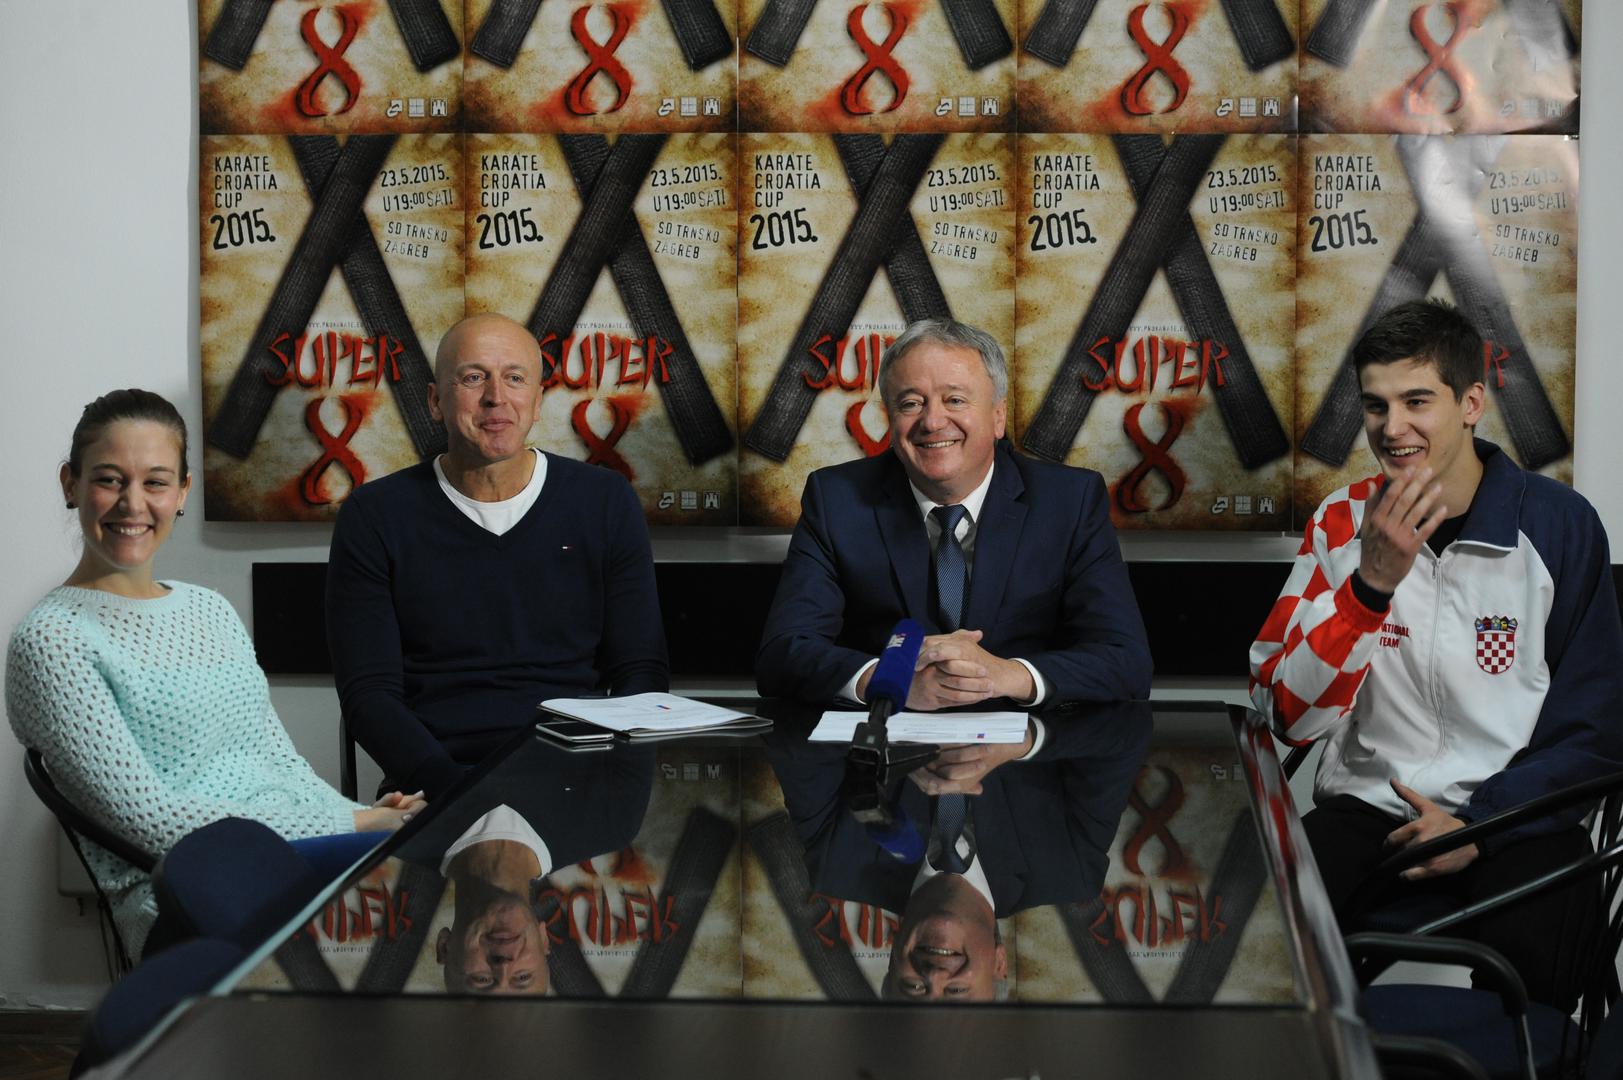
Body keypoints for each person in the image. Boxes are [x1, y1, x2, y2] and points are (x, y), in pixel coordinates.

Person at [1249, 298, 1623, 1008]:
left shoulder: (1559, 524)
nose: (1392, 428)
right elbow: (1287, 717)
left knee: (1544, 967)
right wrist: (1368, 588)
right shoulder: (1339, 522)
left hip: (1517, 816)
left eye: (1416, 401)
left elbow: (1595, 728)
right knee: (1274, 941)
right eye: (1375, 405)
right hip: (1370, 810)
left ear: (1470, 403)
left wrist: (1481, 825)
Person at [5, 390, 422, 958]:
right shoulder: (53, 640)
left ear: (182, 492)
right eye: (109, 479)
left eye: (155, 482)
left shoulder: (208, 608)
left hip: (292, 857)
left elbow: (277, 761)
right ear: (69, 484)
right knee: (433, 890)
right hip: (188, 892)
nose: (132, 503)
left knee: (448, 872)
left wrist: (353, 815)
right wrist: (354, 827)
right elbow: (152, 822)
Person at [327, 313, 668, 801]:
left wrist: (610, 780)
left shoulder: (604, 501)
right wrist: (459, 797)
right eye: (473, 378)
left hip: (580, 780)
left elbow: (642, 672)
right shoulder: (374, 514)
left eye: (515, 378)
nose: (495, 397)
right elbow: (369, 697)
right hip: (437, 784)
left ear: (538, 401)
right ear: (435, 402)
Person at [756, 317, 1151, 711]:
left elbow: (1126, 661)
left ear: (998, 417)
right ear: (889, 419)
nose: (932, 421)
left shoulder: (1070, 501)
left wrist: (1002, 675)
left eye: (955, 400)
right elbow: (782, 653)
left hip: (1026, 743)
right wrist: (893, 679)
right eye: (911, 403)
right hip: (886, 738)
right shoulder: (836, 499)